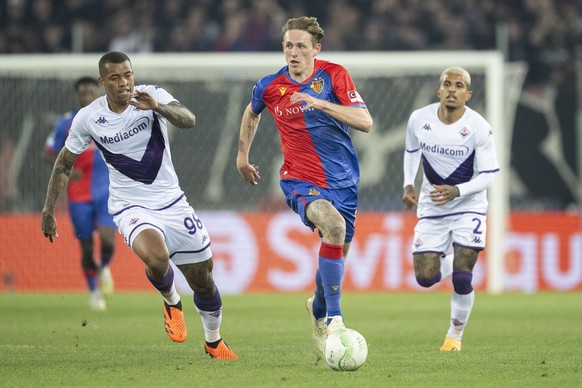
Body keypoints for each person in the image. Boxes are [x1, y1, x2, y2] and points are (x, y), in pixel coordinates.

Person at [41, 51, 237, 360]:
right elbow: (64, 163)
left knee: (203, 279)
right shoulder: (89, 117)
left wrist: (158, 107)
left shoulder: (152, 95)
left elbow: (189, 120)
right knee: (157, 259)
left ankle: (213, 341)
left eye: (128, 75)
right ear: (102, 81)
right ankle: (171, 300)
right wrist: (48, 209)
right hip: (130, 205)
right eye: (115, 77)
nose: (124, 82)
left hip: (173, 202)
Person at [236, 16, 373, 358]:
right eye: (288, 46)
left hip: (344, 183)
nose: (293, 52)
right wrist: (242, 156)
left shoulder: (334, 75)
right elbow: (253, 113)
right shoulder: (269, 86)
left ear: (316, 48)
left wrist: (322, 103)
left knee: (337, 251)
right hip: (299, 179)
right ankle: (336, 320)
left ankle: (318, 308)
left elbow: (365, 122)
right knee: (334, 225)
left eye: (300, 46)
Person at [402, 66, 499, 351]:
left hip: (469, 206)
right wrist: (409, 184)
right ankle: (451, 264)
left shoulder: (479, 127)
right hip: (433, 205)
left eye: (459, 86)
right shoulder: (419, 120)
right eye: (447, 84)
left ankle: (454, 336)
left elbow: (489, 175)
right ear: (439, 90)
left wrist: (458, 191)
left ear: (468, 94)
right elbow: (411, 151)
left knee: (462, 275)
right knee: (425, 277)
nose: (452, 89)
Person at [43, 76, 116, 311]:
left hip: (105, 192)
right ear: (78, 95)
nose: (86, 96)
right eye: (82, 92)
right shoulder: (66, 122)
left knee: (108, 241)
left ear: (98, 93)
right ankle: (94, 292)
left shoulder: (111, 116)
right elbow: (48, 153)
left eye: (90, 91)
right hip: (78, 196)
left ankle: (103, 266)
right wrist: (68, 170)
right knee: (85, 246)